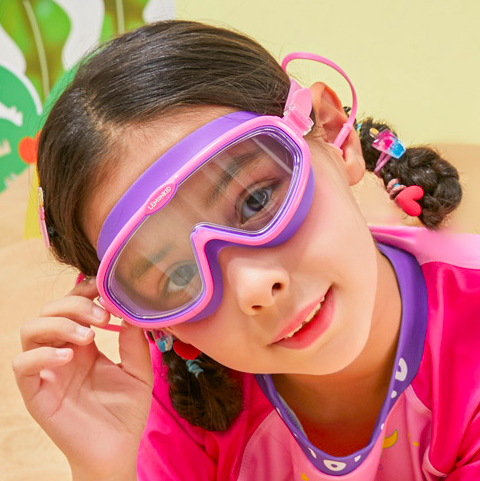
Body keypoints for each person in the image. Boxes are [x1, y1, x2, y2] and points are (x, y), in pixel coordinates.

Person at [12, 19, 480, 481]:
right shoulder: (173, 400)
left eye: (257, 200)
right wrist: (106, 468)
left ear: (333, 133)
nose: (254, 287)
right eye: (178, 276)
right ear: (153, 322)